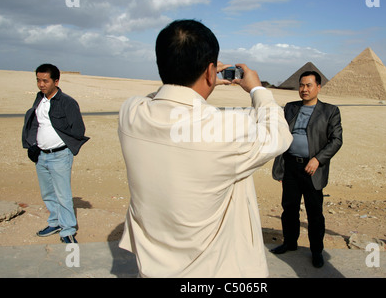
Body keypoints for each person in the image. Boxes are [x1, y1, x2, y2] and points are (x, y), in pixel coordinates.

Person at [118, 19, 293, 277]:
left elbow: (158, 98)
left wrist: (193, 79)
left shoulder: (131, 113)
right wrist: (257, 88)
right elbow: (279, 134)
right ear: (212, 71)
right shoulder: (227, 128)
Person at [271, 71, 342, 268]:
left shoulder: (330, 111)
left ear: (318, 87)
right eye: (301, 85)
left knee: (314, 213)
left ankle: (317, 251)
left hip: (313, 168)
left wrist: (318, 159)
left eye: (309, 85)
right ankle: (290, 242)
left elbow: (336, 140)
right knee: (289, 209)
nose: (304, 89)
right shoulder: (291, 108)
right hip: (291, 166)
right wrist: (281, 167)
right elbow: (280, 132)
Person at [22, 64, 89, 243]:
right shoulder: (39, 99)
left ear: (56, 81)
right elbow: (35, 123)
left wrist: (66, 146)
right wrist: (33, 145)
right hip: (41, 156)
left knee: (63, 194)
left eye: (45, 80)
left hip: (60, 155)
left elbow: (78, 129)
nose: (41, 84)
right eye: (38, 80)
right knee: (48, 193)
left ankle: (67, 229)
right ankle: (55, 222)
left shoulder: (67, 102)